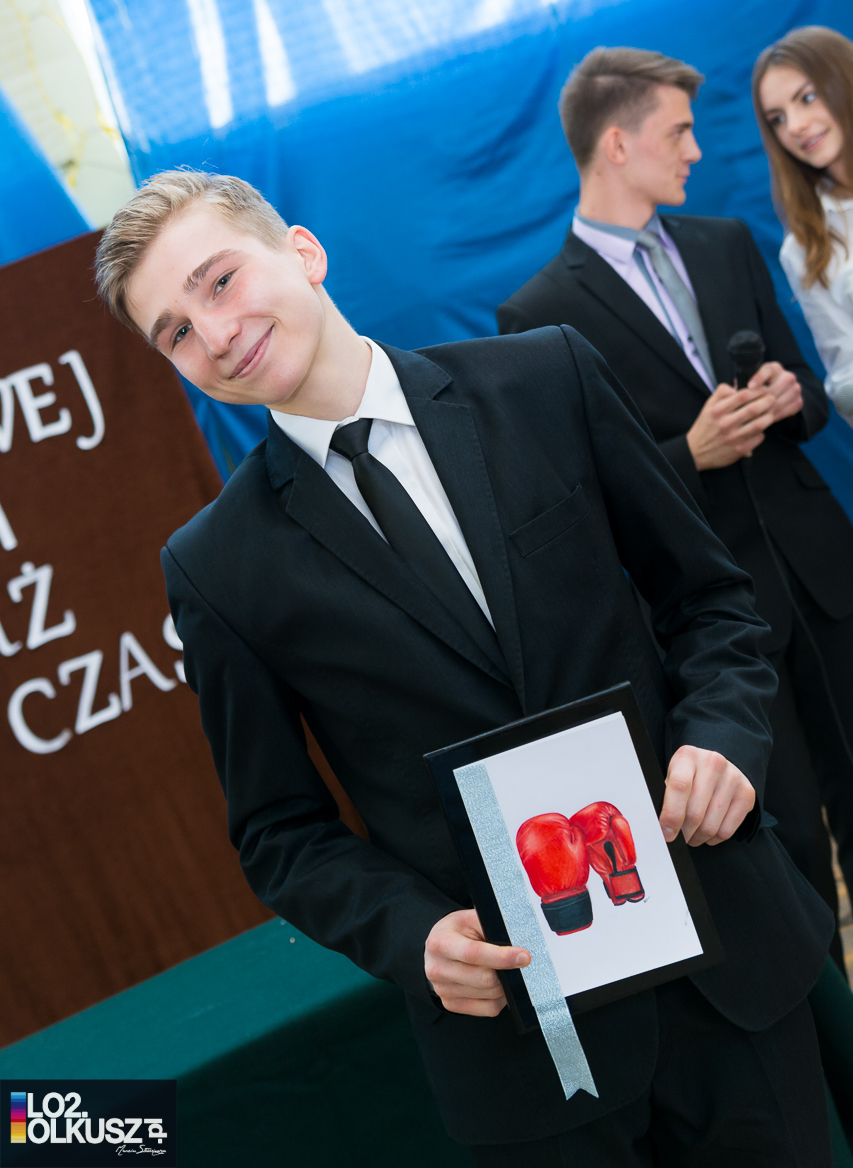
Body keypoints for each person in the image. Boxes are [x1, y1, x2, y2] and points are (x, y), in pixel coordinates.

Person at [96, 170, 833, 1165]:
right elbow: (278, 830)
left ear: (303, 252)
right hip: (528, 1049)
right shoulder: (215, 565)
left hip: (724, 948)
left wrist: (721, 734)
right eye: (176, 333)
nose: (215, 334)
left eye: (219, 281)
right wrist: (412, 935)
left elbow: (706, 599)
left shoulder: (545, 378)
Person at [497, 47, 853, 974]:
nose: (696, 149)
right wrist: (687, 453)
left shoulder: (726, 241)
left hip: (826, 574)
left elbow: (810, 396)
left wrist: (789, 397)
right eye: (679, 131)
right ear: (617, 144)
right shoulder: (537, 316)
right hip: (719, 629)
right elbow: (578, 506)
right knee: (790, 856)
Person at [753, 25, 853, 427]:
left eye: (807, 98)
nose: (794, 126)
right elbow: (845, 380)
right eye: (777, 119)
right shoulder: (805, 248)